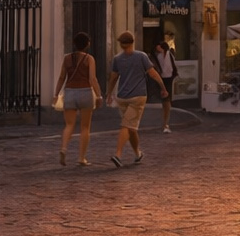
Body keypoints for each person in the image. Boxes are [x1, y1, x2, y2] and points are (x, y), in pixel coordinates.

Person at [107, 31, 167, 169]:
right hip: (138, 96)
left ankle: (118, 154)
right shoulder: (141, 56)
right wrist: (163, 87)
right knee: (130, 127)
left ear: (121, 44)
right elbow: (153, 74)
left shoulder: (117, 59)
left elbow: (113, 77)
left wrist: (109, 93)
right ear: (133, 42)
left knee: (127, 125)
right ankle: (136, 153)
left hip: (122, 97)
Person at [54, 31, 101, 166]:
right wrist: (99, 95)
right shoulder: (89, 59)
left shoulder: (67, 58)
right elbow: (92, 79)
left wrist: (56, 94)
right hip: (85, 92)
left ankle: (63, 148)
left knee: (69, 125)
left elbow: (62, 77)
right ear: (87, 44)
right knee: (85, 127)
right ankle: (81, 158)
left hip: (70, 92)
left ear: (74, 44)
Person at [152, 40, 178, 133]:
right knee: (165, 99)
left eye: (158, 46)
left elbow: (170, 67)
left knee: (166, 99)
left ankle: (165, 121)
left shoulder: (169, 55)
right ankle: (165, 121)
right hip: (162, 78)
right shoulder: (158, 56)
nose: (157, 48)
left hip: (168, 79)